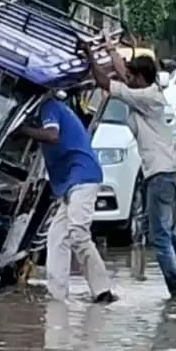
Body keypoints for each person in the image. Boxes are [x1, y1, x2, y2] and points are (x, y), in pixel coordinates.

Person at [87, 43, 176, 299]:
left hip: (162, 175)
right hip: (169, 173)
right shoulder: (149, 93)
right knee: (160, 233)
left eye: (132, 77)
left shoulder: (146, 98)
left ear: (141, 79)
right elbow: (123, 77)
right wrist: (111, 52)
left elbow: (103, 81)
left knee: (160, 239)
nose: (127, 79)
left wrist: (89, 55)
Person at [18, 93, 116, 304]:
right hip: (72, 181)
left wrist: (24, 130)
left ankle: (103, 291)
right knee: (56, 236)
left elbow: (52, 136)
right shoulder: (54, 108)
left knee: (78, 233)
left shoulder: (49, 107)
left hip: (82, 177)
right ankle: (57, 296)